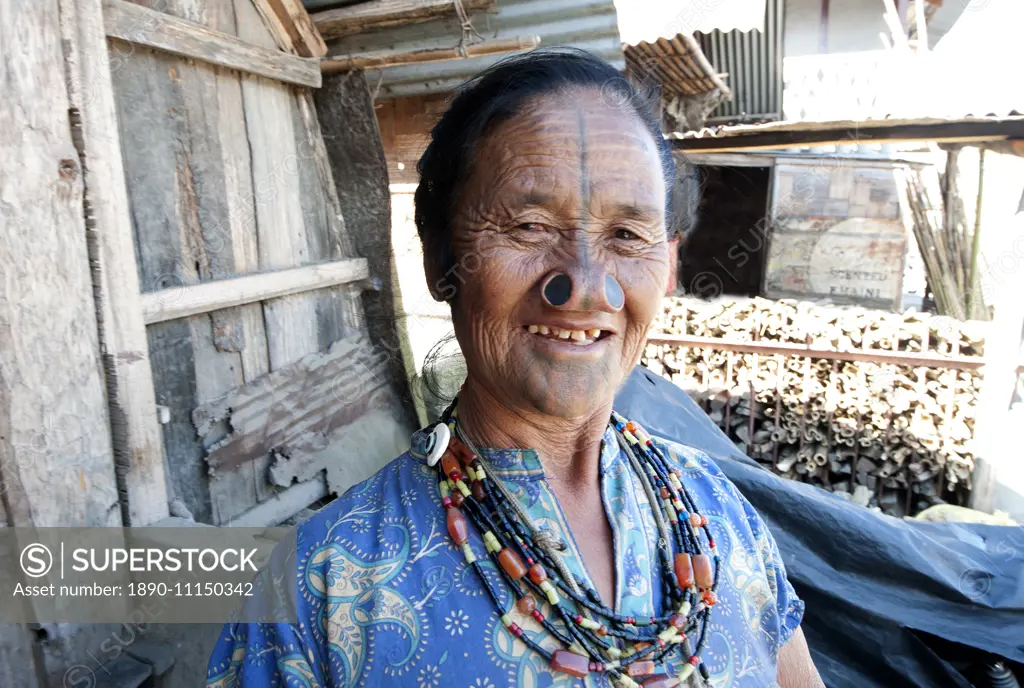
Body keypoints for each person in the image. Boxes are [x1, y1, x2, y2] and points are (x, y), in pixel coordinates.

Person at [207, 48, 823, 688]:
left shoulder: (719, 513)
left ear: (666, 264)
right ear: (441, 260)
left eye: (627, 235)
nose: (585, 287)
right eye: (529, 225)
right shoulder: (323, 589)